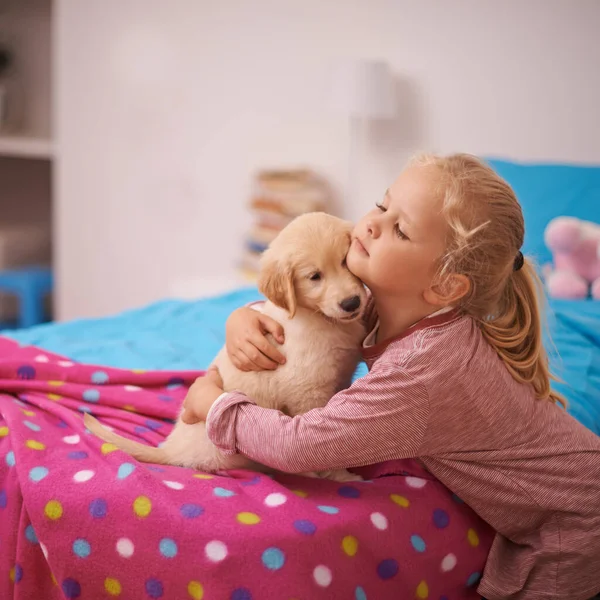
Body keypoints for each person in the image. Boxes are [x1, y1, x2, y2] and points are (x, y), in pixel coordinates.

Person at [182, 153, 600, 600]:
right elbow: (312, 318)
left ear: (444, 285)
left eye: (400, 230)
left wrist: (216, 406)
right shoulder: (408, 308)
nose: (370, 225)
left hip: (574, 524)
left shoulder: (423, 370)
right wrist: (243, 319)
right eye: (383, 206)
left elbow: (297, 444)